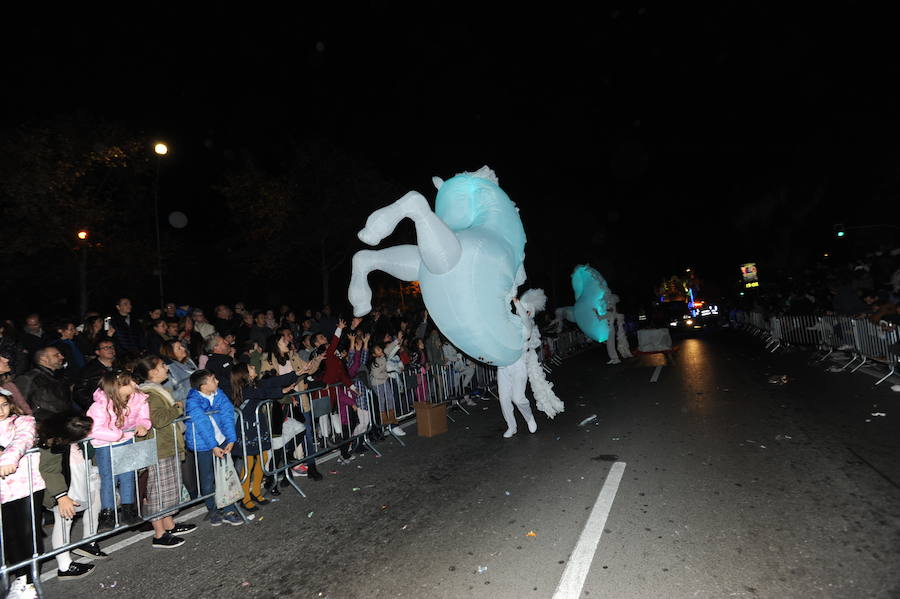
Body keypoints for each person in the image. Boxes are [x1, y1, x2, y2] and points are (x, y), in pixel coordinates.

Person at [133, 356, 196, 548]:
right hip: (158, 449)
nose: (166, 369)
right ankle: (159, 534)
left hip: (166, 446)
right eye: (161, 366)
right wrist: (177, 408)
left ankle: (169, 525)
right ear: (151, 372)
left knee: (169, 490)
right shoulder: (149, 394)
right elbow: (158, 420)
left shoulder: (157, 391)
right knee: (158, 492)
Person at [37, 413, 107, 580]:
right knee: (64, 520)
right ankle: (64, 565)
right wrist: (61, 497)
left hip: (79, 475)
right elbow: (49, 470)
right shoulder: (52, 443)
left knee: (94, 502)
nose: (86, 435)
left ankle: (88, 542)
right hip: (63, 487)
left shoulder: (68, 437)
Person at [87, 370, 151, 532]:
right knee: (109, 478)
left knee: (128, 475)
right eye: (129, 382)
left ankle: (128, 511)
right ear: (119, 387)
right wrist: (118, 434)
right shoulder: (100, 405)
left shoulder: (138, 399)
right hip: (105, 445)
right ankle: (108, 513)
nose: (135, 384)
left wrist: (143, 425)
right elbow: (93, 429)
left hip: (127, 440)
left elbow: (143, 417)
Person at [229, 363, 299, 511]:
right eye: (251, 367)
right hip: (246, 430)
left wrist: (295, 374)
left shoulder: (255, 385)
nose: (254, 367)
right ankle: (245, 497)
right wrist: (282, 390)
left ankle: (255, 491)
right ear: (245, 374)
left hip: (258, 426)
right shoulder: (245, 390)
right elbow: (262, 393)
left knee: (264, 457)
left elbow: (272, 382)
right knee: (248, 464)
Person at [497, 290, 563, 438]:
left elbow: (525, 320)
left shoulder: (527, 326)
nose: (523, 313)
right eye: (521, 310)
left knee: (518, 398)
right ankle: (511, 426)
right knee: (504, 398)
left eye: (527, 311)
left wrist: (517, 302)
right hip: (503, 365)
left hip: (519, 364)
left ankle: (529, 418)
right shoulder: (510, 322)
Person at [183, 369, 242, 526]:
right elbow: (202, 426)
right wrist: (213, 446)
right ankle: (213, 509)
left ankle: (228, 509)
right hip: (204, 445)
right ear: (203, 386)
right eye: (213, 379)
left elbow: (228, 415)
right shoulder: (192, 401)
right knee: (207, 478)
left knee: (225, 475)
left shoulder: (219, 394)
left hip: (221, 440)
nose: (217, 381)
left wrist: (230, 439)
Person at [0, 396, 45, 597]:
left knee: (28, 534)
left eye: (4, 404)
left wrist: (8, 459)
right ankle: (20, 579)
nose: (1, 410)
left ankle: (28, 580)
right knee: (9, 537)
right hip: (3, 493)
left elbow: (23, 439)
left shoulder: (23, 421)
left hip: (27, 486)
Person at [16, 346, 75, 421]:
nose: (62, 357)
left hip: (60, 422)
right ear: (44, 359)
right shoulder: (30, 378)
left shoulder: (57, 377)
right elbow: (20, 405)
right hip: (44, 425)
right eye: (56, 355)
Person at [161, 340, 198, 404]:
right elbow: (171, 395)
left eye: (182, 346)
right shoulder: (169, 370)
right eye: (179, 348)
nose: (183, 348)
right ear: (171, 352)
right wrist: (194, 388)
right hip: (189, 404)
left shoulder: (188, 361)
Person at [51, 319, 85, 384]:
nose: (74, 332)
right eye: (71, 330)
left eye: (74, 329)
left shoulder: (73, 342)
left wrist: (79, 335)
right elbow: (63, 366)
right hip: (70, 379)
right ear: (60, 330)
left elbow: (88, 349)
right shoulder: (57, 346)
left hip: (79, 375)